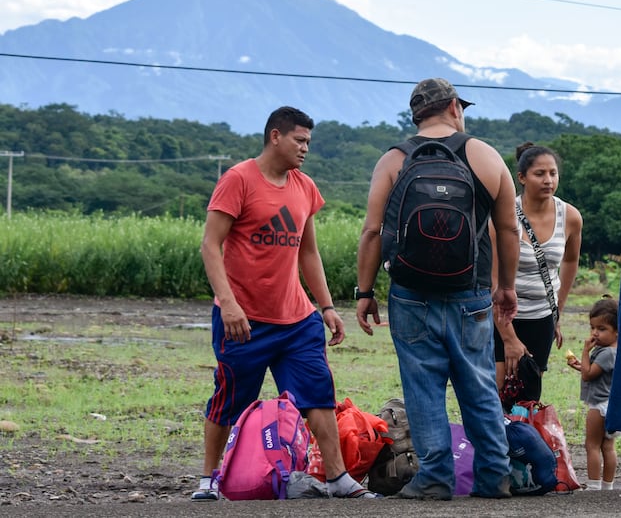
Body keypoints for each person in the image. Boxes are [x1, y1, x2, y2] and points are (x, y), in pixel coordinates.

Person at [193, 106, 379, 501]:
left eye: (309, 142)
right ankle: (209, 479)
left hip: (297, 320)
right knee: (230, 399)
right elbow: (210, 245)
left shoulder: (304, 186)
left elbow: (308, 252)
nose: (305, 148)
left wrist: (327, 307)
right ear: (275, 136)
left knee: (318, 394)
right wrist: (228, 304)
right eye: (299, 140)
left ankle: (337, 478)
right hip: (243, 320)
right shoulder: (238, 179)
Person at [355, 78, 520, 500]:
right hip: (472, 292)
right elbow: (508, 229)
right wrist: (506, 286)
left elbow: (372, 231)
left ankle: (434, 478)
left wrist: (364, 291)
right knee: (479, 384)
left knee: (423, 386)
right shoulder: (485, 155)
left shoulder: (393, 160)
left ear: (416, 115)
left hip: (410, 293)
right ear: (454, 107)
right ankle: (494, 476)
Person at [494, 142, 583, 399]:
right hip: (503, 319)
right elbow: (491, 282)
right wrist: (509, 338)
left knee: (528, 398)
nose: (548, 180)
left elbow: (570, 261)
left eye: (553, 173)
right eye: (539, 174)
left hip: (541, 318)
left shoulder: (570, 217)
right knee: (498, 393)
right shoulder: (503, 216)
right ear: (522, 177)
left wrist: (557, 312)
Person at [567, 296, 619, 491]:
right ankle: (608, 486)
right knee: (608, 446)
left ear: (617, 331)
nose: (595, 333)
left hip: (598, 406)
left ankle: (594, 485)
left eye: (602, 329)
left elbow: (588, 375)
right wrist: (579, 366)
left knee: (592, 445)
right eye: (593, 328)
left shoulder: (605, 353)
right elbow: (593, 372)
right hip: (611, 404)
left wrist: (585, 352)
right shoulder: (613, 351)